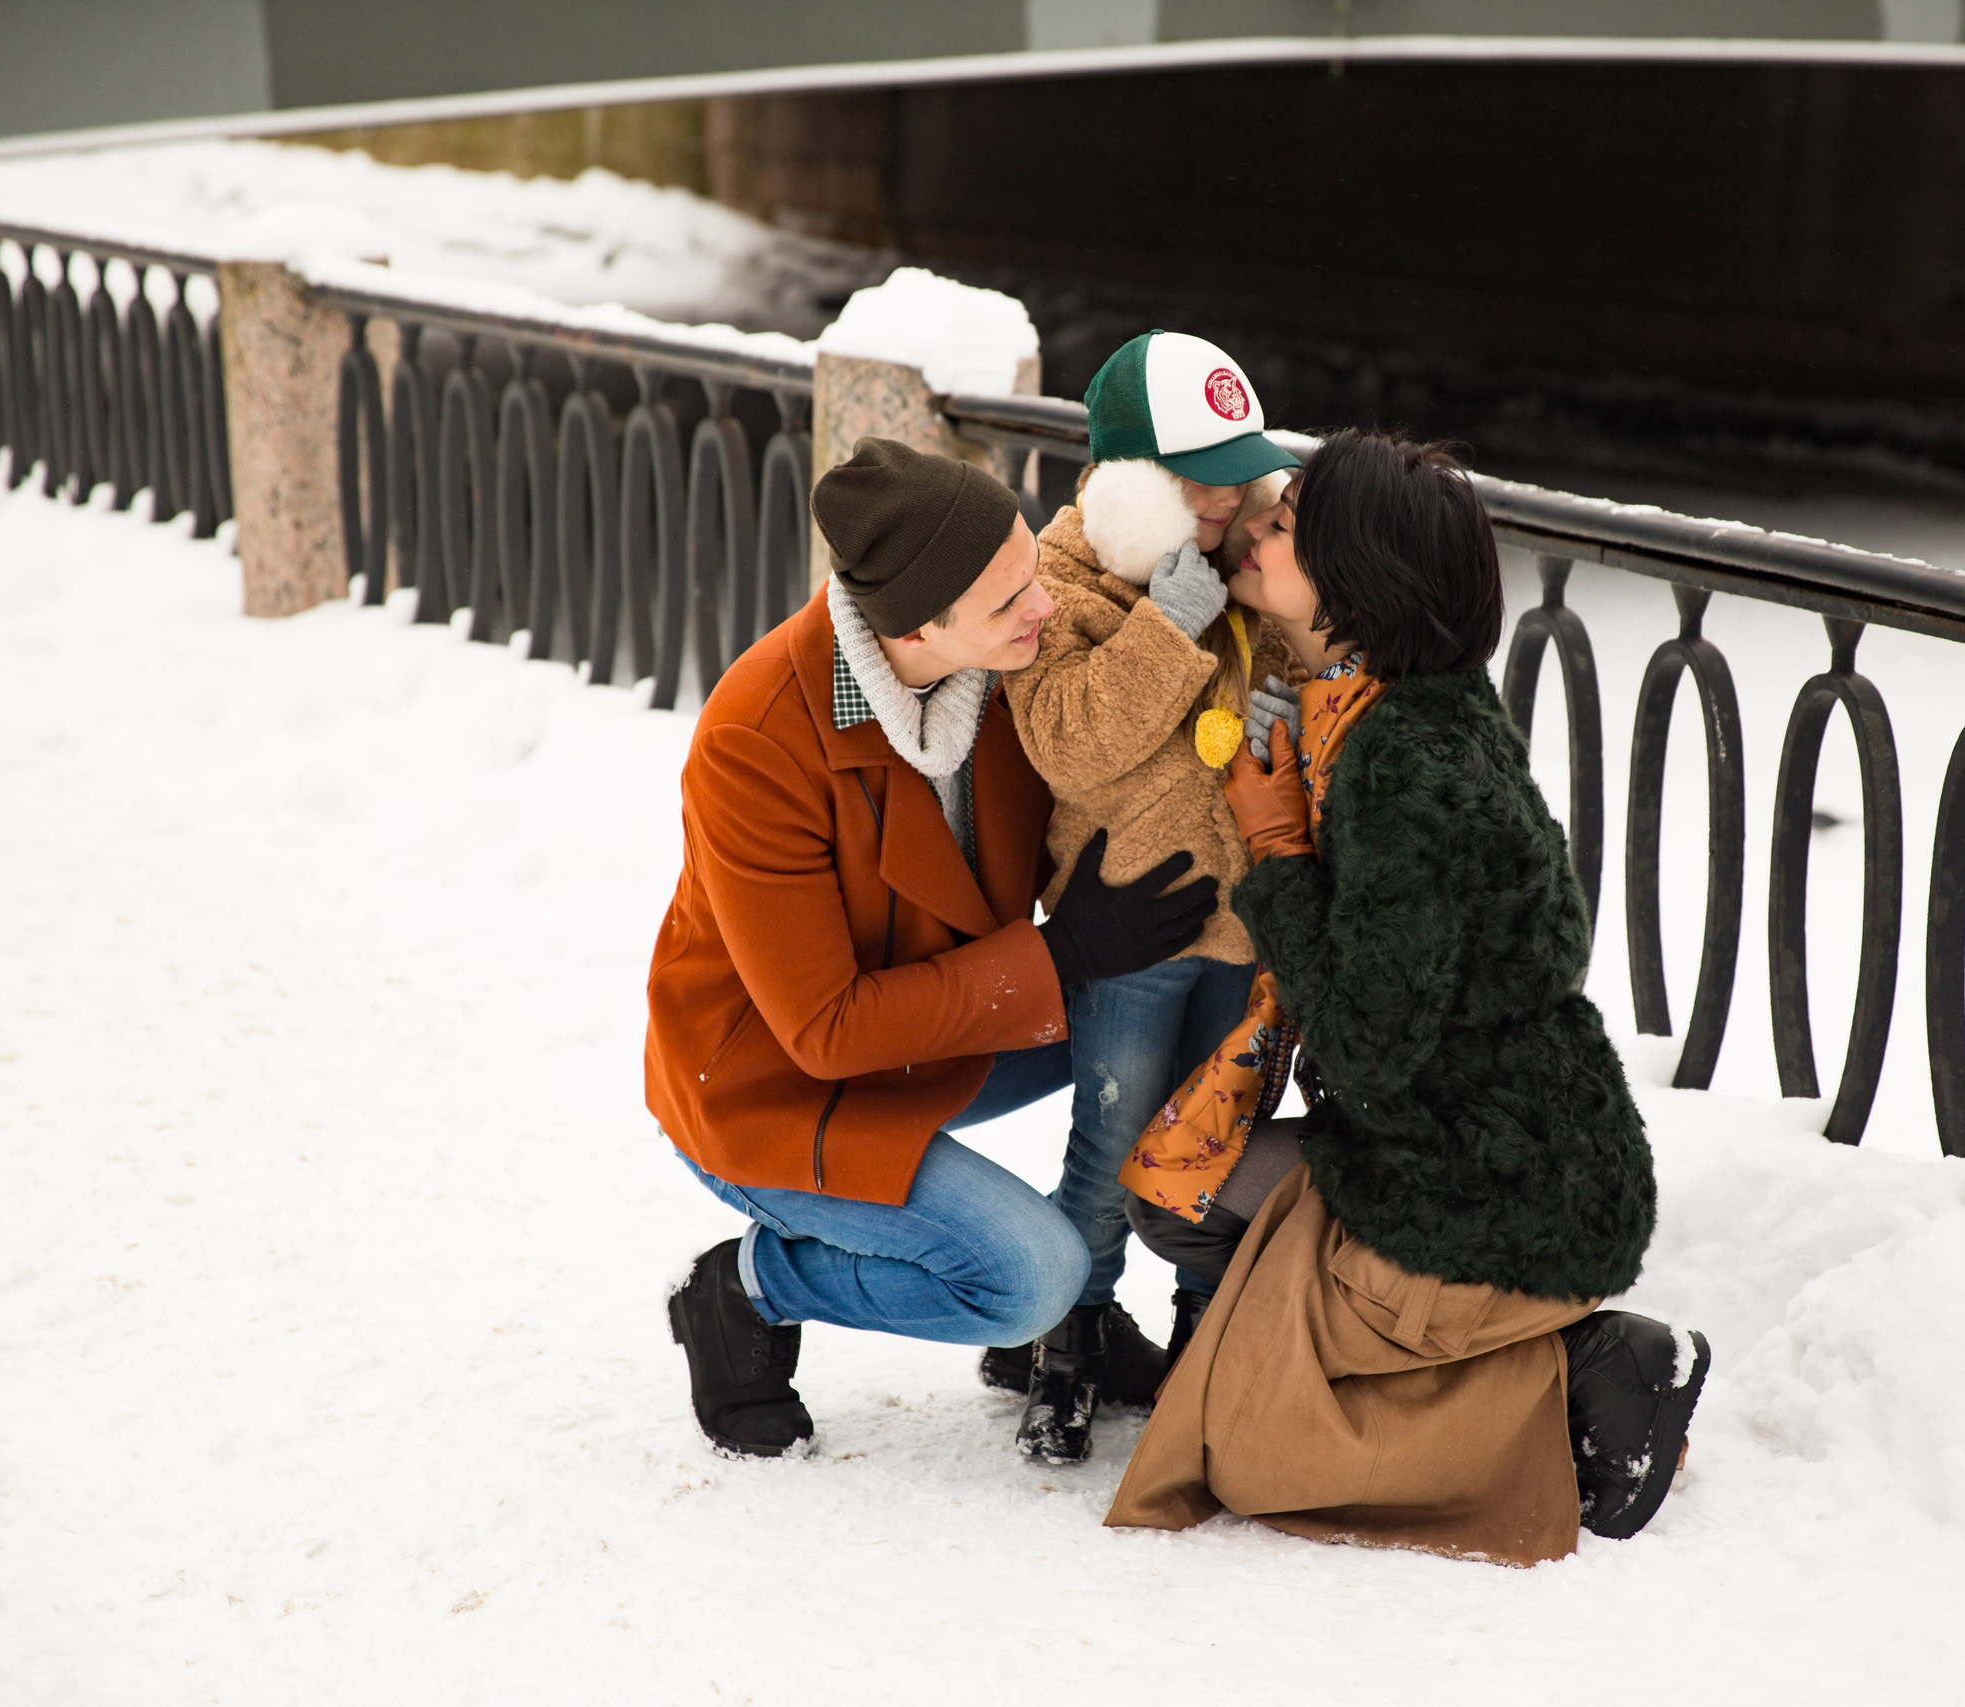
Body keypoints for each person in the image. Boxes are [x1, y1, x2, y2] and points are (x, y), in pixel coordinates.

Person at [1106, 431, 1710, 1562]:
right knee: (1179, 1197)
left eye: (1287, 527)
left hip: (1497, 1178)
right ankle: (1464, 1352)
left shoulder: (1402, 760)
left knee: (1243, 1440)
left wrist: (1278, 857)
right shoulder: (1387, 705)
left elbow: (1374, 1047)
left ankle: (1586, 1371)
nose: (1256, 529)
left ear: (1356, 580)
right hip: (1493, 1139)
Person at [649, 435, 1218, 1459]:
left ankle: (1072, 1324)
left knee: (1159, 998)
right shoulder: (755, 739)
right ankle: (744, 1289)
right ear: (916, 625)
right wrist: (1064, 956)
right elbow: (821, 1030)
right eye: (1007, 600)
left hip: (931, 1036)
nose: (1040, 607)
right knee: (1019, 1276)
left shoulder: (999, 671)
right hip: (773, 1085)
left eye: (1028, 570)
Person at [984, 330, 1306, 1464]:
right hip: (1130, 925)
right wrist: (1166, 630)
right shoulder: (1062, 585)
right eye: (1200, 479)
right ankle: (1063, 1353)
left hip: (1243, 926)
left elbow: (1303, 676)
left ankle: (1202, 1353)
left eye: (1239, 476)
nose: (1227, 503)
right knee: (1108, 1143)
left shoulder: (1252, 574)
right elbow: (1071, 746)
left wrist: (1290, 725)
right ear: (1133, 479)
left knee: (1214, 1147)